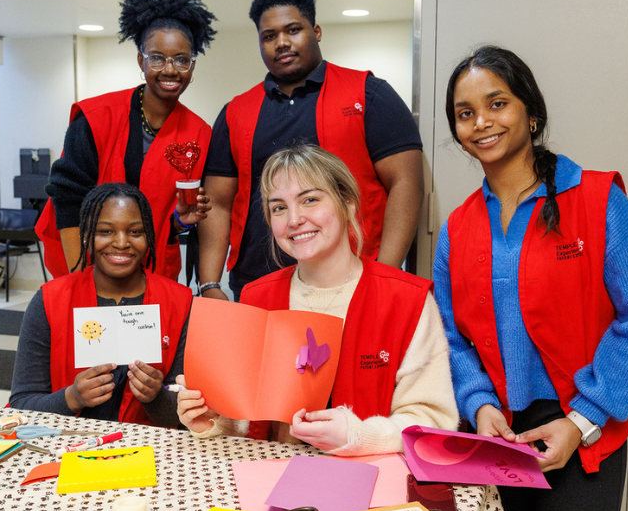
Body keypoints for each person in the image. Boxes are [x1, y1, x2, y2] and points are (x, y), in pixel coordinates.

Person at [433, 45, 628, 511]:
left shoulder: (599, 200)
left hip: (581, 429)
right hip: (497, 437)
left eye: (497, 104)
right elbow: (450, 335)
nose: (481, 123)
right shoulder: (457, 228)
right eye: (465, 113)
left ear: (531, 112)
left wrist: (583, 419)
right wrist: (478, 406)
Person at [177, 144, 457, 455]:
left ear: (347, 203)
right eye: (279, 208)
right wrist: (213, 418)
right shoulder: (257, 298)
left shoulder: (407, 300)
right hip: (274, 482)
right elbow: (249, 421)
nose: (294, 219)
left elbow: (432, 421)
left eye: (309, 200)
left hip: (375, 485)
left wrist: (359, 435)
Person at [198, 0, 424, 301]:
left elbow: (407, 184)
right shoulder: (236, 112)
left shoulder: (370, 94)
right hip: (257, 285)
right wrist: (209, 284)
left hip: (351, 281)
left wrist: (384, 276)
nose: (281, 43)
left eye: (293, 30)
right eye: (269, 36)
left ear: (316, 31)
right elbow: (218, 203)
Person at [38, 0, 216, 282]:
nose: (170, 70)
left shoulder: (200, 134)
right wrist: (81, 279)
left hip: (154, 271)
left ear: (192, 64)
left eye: (182, 59)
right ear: (140, 60)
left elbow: (167, 219)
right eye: (157, 57)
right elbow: (67, 199)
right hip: (87, 262)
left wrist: (180, 221)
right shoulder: (96, 117)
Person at [11, 183, 192, 426]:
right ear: (86, 234)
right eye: (105, 232)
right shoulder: (50, 300)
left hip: (150, 450)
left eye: (135, 232)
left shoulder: (180, 302)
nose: (121, 243)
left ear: (149, 236)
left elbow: (189, 416)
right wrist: (72, 397)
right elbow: (22, 404)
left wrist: (155, 397)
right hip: (66, 446)